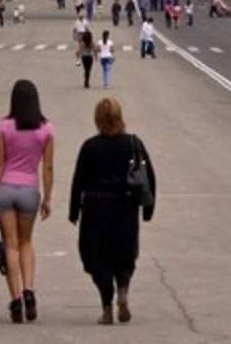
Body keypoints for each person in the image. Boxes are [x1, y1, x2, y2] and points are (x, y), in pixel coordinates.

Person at [69, 98, 157, 325]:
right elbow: (149, 178)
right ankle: (124, 290)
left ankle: (107, 307)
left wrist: (73, 212)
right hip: (125, 209)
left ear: (97, 119)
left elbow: (78, 181)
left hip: (95, 210)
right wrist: (147, 209)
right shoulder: (133, 144)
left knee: (96, 258)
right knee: (124, 255)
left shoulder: (90, 146)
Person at [0, 80, 55, 323]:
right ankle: (29, 291)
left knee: (9, 245)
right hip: (29, 190)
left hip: (4, 190)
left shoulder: (3, 127)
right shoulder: (46, 129)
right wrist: (48, 198)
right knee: (26, 243)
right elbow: (48, 167)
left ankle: (15, 301)